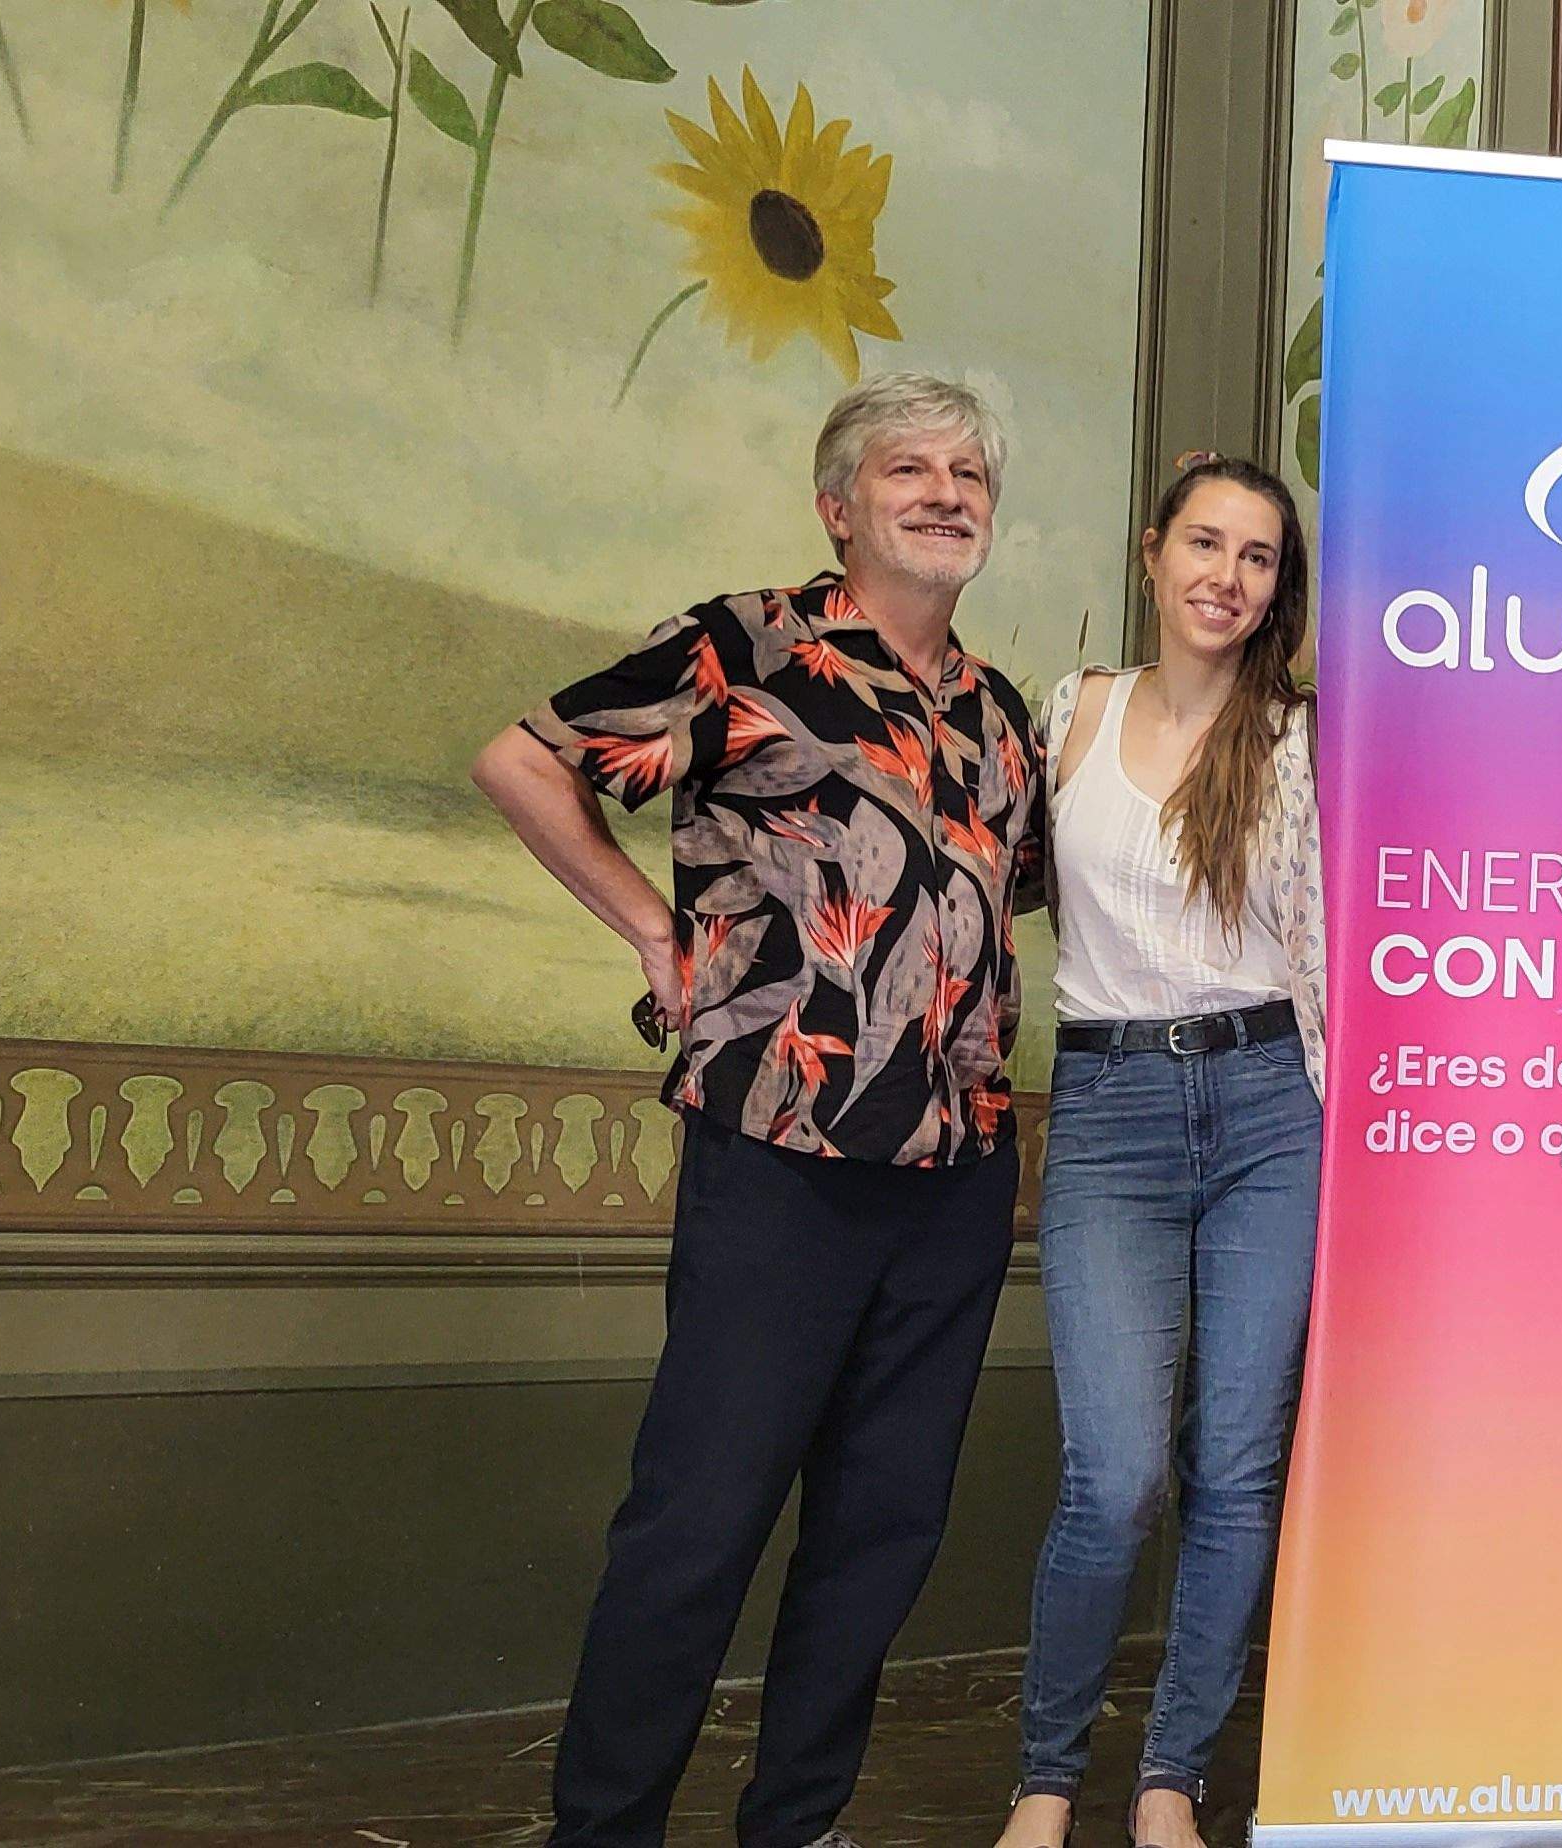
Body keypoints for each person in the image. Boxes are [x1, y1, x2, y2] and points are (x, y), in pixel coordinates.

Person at [471, 373, 1049, 1848]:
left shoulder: (996, 713)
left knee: (880, 1534)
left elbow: (1007, 908)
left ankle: (797, 1823)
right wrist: (652, 939)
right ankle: (604, 1827)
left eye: (968, 472)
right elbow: (524, 762)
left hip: (957, 1175)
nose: (944, 490)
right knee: (701, 1522)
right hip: (779, 1156)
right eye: (907, 468)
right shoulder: (746, 645)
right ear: (837, 505)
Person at [990, 456, 1324, 1848]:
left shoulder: (1302, 736)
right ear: (1151, 552)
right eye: (1205, 543)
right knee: (1116, 1472)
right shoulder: (1067, 717)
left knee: (1236, 1469)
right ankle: (1044, 1782)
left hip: (1268, 1106)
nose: (1226, 576)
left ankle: (1171, 1780)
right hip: (1114, 1110)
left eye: (1255, 557)